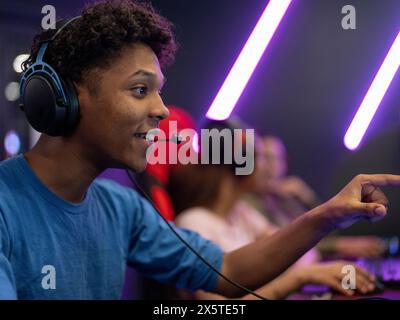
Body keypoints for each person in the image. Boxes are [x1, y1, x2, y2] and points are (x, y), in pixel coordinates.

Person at [0, 0, 398, 300]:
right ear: (65, 97)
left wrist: (328, 215)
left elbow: (226, 269)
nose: (160, 109)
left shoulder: (121, 208)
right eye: (140, 90)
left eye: (159, 91)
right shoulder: (6, 206)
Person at [252, 135, 385, 259]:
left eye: (277, 159)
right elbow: (283, 246)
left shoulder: (285, 199)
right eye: (265, 158)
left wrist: (307, 197)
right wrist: (339, 246)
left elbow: (326, 230)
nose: (270, 167)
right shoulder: (247, 203)